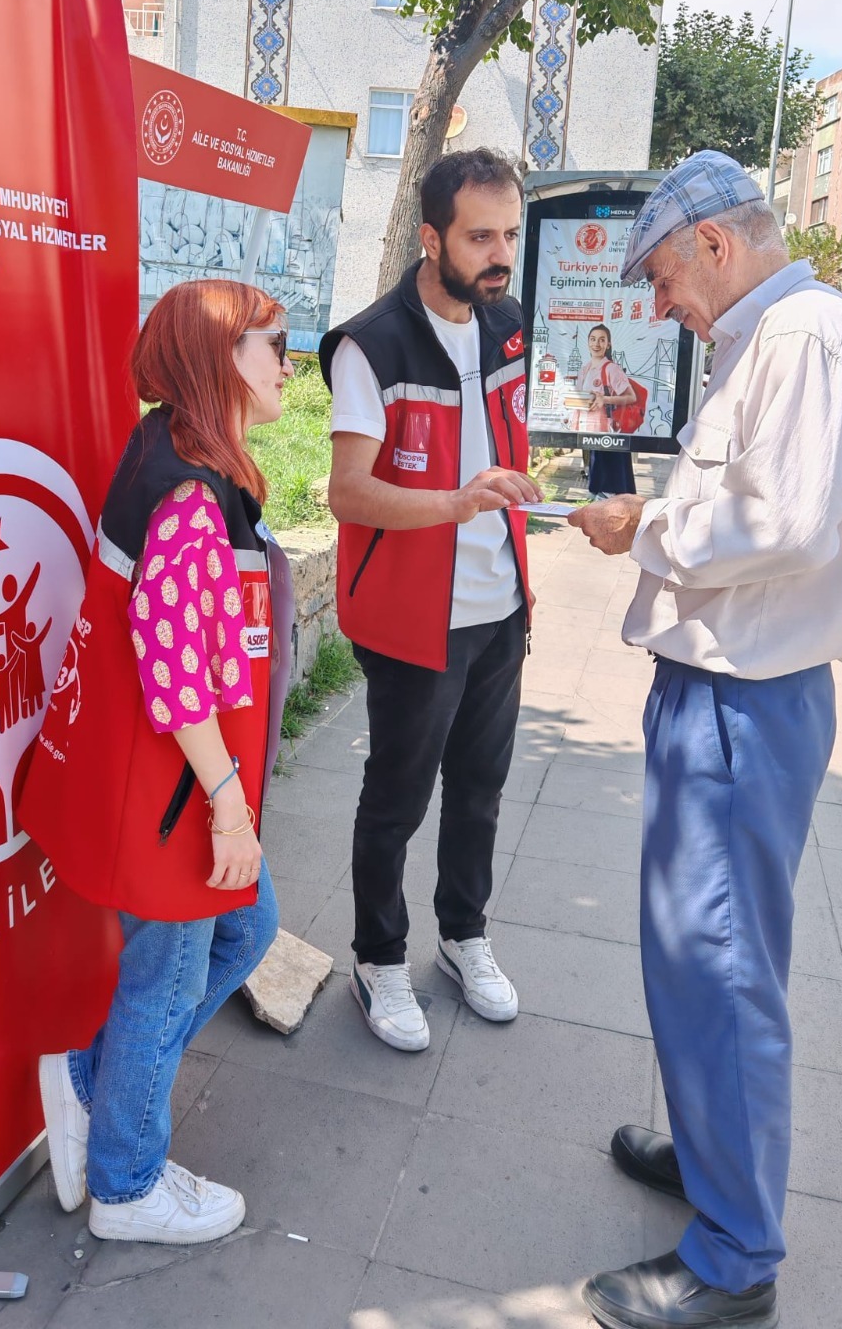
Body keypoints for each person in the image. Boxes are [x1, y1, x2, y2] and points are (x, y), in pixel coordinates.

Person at [568, 151, 842, 1329]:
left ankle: (736, 1253)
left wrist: (642, 521)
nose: (659, 305)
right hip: (726, 687)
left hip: (743, 697)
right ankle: (716, 1165)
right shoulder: (772, 334)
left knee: (720, 964)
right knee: (697, 954)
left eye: (662, 277)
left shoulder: (799, 334)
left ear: (716, 242)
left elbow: (780, 521)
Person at [17, 280, 295, 1245]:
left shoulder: (179, 446)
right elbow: (177, 676)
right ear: (219, 360)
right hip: (177, 796)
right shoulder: (187, 491)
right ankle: (127, 1185)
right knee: (170, 978)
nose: (285, 361)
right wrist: (227, 806)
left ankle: (96, 1083)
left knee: (241, 934)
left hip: (174, 787)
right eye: (271, 343)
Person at [319, 147, 542, 1052]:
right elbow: (347, 491)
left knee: (481, 792)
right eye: (480, 236)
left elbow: (510, 456)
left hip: (499, 609)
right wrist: (456, 504)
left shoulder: (508, 322)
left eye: (510, 236)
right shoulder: (373, 344)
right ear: (431, 237)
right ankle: (379, 959)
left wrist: (526, 572)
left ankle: (463, 938)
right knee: (397, 799)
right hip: (415, 619)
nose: (500, 255)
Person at [569, 323, 638, 498]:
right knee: (597, 487)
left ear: (608, 344)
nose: (596, 344)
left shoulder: (611, 369)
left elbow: (631, 397)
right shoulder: (584, 369)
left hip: (608, 435)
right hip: (588, 430)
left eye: (601, 340)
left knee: (612, 489)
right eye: (593, 339)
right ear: (587, 342)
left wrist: (604, 399)